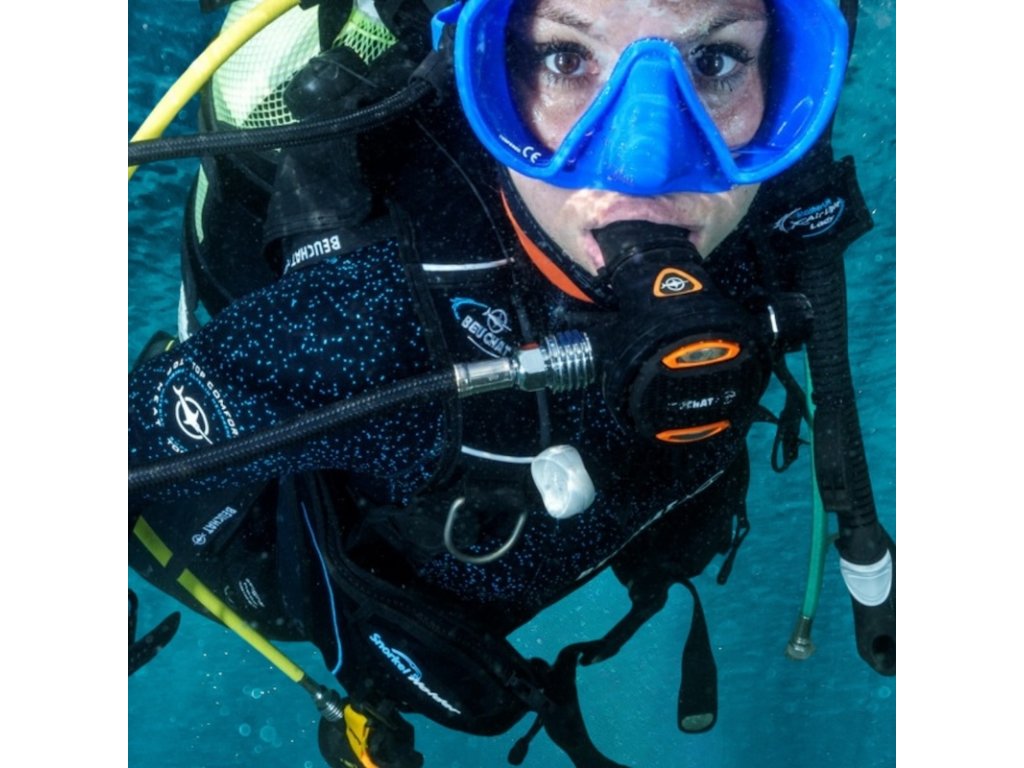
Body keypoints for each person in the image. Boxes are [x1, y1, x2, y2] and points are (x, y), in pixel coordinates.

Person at [128, 1, 895, 766]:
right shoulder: (371, 318)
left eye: (715, 60)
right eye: (568, 59)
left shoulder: (774, 197)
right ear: (491, 83)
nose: (646, 162)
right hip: (317, 574)